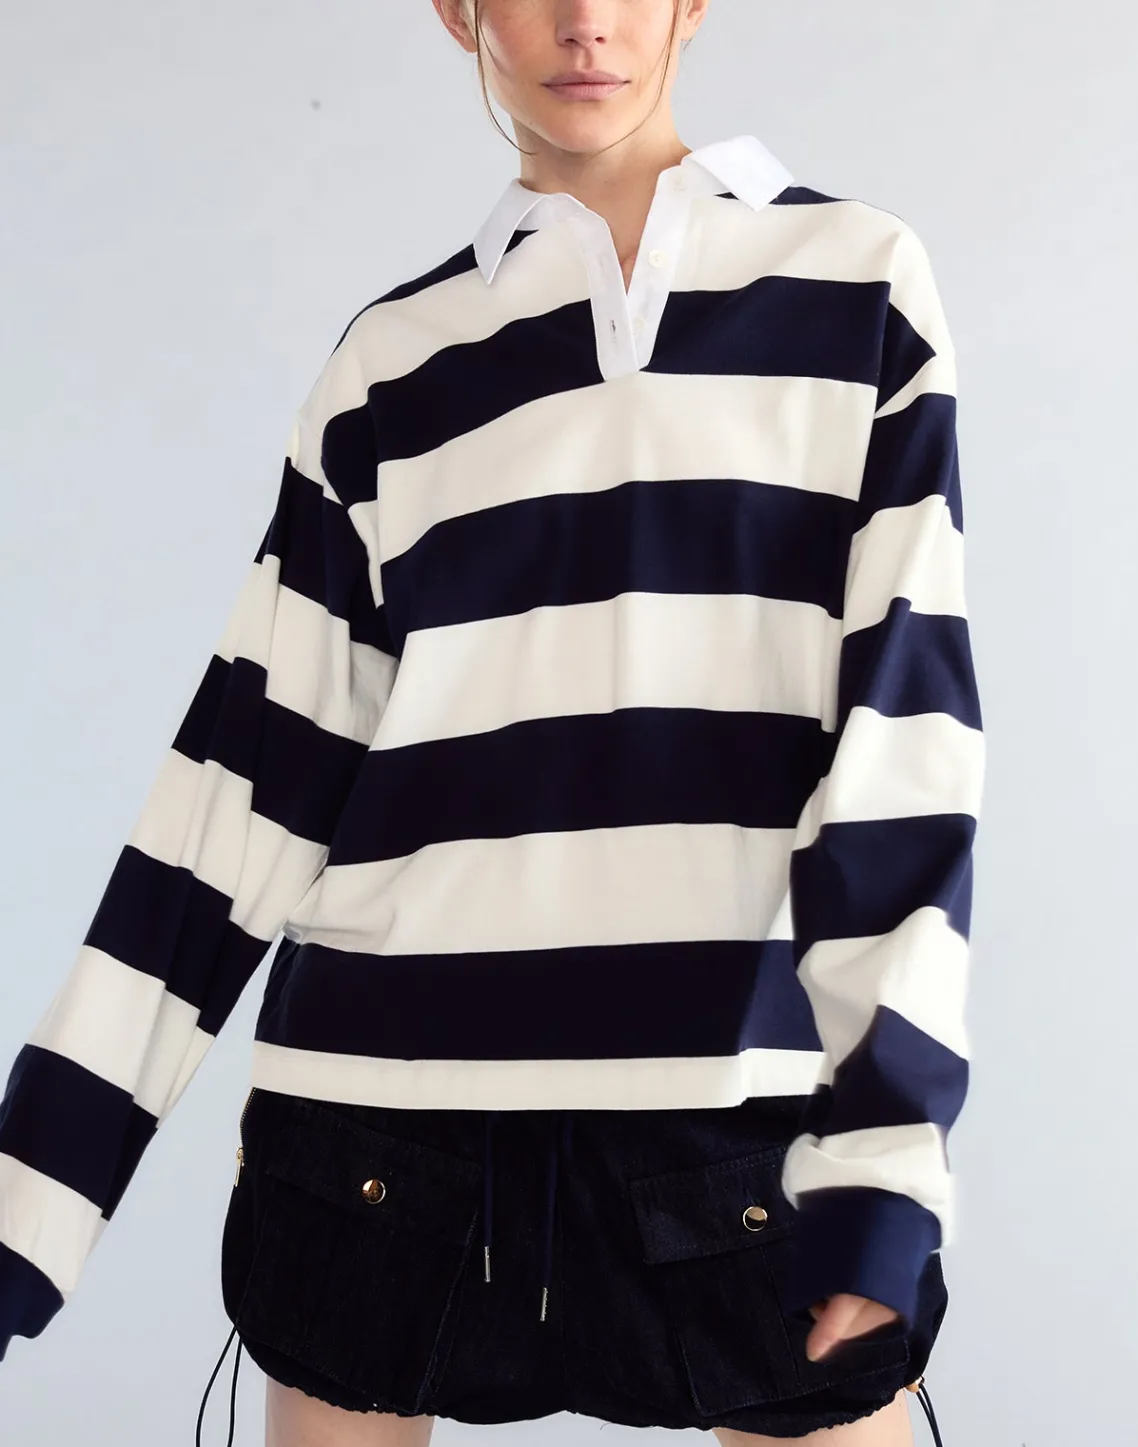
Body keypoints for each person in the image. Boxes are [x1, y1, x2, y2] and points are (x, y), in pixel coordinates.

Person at [0, 1, 984, 1444]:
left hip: (734, 1120)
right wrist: (30, 1199)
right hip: (381, 1143)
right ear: (457, 8)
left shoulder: (855, 284)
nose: (584, 23)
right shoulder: (393, 361)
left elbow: (906, 735)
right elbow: (240, 790)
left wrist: (888, 1151)